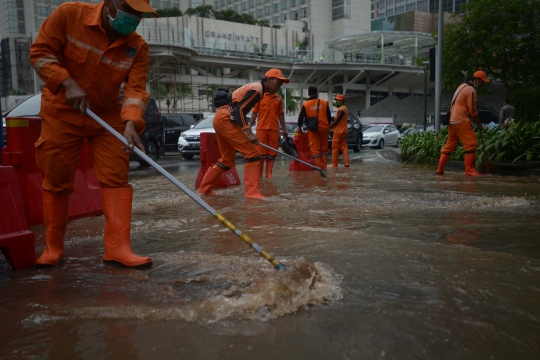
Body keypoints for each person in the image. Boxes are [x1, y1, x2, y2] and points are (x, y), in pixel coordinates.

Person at [29, 0, 158, 267]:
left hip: (106, 115)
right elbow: (40, 53)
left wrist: (132, 122)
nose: (133, 19)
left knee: (116, 176)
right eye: (129, 11)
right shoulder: (69, 15)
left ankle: (117, 248)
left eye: (139, 15)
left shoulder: (137, 47)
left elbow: (135, 90)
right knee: (57, 177)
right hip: (62, 109)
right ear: (111, 4)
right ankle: (53, 248)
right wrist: (66, 82)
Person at [198, 68, 289, 198]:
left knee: (227, 160)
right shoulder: (257, 90)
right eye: (278, 82)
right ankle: (252, 193)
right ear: (269, 80)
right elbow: (239, 110)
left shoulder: (258, 90)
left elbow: (237, 110)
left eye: (281, 84)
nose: (279, 86)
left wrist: (246, 130)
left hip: (222, 118)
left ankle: (204, 189)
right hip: (225, 119)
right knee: (252, 153)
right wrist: (249, 132)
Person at [436, 70, 490, 176]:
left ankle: (440, 169)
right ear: (476, 80)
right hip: (462, 120)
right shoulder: (471, 90)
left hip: (452, 121)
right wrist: (479, 124)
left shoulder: (461, 86)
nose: (482, 84)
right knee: (471, 144)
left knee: (449, 146)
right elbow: (472, 111)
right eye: (482, 82)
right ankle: (470, 170)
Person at [249, 86, 287, 179]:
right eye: (277, 84)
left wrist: (284, 129)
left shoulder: (278, 98)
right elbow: (254, 112)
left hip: (274, 129)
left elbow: (281, 114)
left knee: (272, 152)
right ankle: (259, 175)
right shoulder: (260, 96)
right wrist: (249, 127)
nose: (277, 87)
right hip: (261, 128)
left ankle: (269, 175)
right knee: (260, 152)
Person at [297, 86, 332, 171]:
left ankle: (319, 171)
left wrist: (299, 127)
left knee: (315, 150)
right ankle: (324, 169)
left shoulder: (306, 104)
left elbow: (301, 118)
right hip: (324, 128)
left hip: (313, 129)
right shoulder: (324, 103)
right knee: (324, 149)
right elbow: (329, 117)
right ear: (317, 93)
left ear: (308, 94)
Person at [329, 93, 349, 168]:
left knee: (334, 147)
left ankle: (334, 164)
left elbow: (337, 120)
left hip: (338, 132)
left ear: (341, 101)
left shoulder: (342, 109)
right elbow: (335, 119)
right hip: (344, 131)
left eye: (337, 100)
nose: (336, 102)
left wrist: (330, 126)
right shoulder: (344, 108)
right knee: (344, 147)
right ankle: (346, 163)